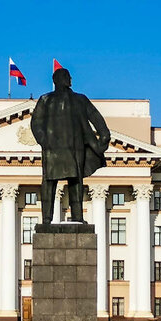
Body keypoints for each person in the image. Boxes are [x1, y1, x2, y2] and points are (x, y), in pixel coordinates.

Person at [30, 66, 110, 225]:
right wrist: (104, 134)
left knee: (50, 182)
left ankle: (47, 219)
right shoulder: (77, 99)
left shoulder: (46, 100)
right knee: (75, 182)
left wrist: (45, 141)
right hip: (73, 147)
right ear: (67, 81)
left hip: (55, 149)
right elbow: (96, 119)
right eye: (68, 77)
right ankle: (77, 217)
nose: (70, 80)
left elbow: (36, 124)